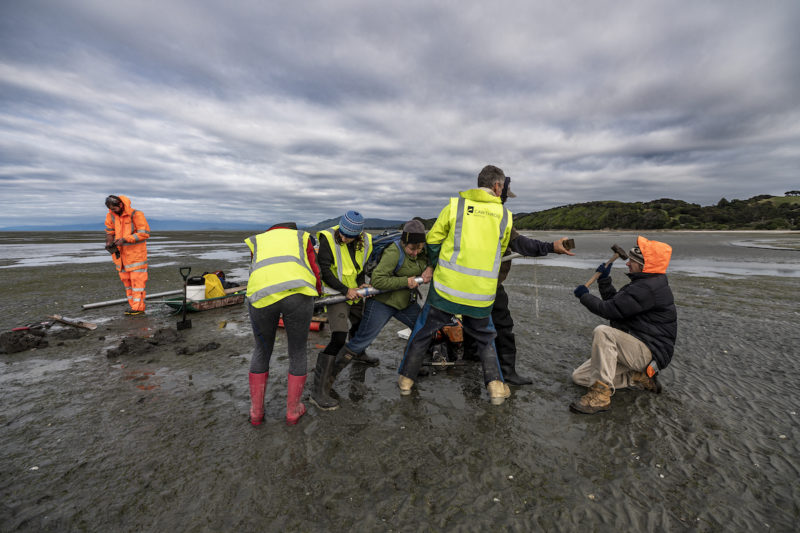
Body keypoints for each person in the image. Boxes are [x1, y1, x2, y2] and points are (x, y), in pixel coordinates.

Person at [397, 165, 514, 405]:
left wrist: (435, 265)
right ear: (497, 186)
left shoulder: (455, 206)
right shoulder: (505, 215)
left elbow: (433, 240)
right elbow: (499, 252)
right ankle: (495, 390)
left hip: (446, 290)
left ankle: (406, 382)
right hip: (481, 295)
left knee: (422, 332)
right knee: (486, 339)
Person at [463, 176, 575, 385]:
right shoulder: (496, 215)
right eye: (505, 195)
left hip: (461, 282)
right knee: (503, 326)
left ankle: (471, 355)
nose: (505, 200)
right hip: (487, 284)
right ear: (497, 188)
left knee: (471, 319)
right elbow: (520, 243)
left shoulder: (463, 210)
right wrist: (551, 247)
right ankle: (508, 373)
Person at [323, 220, 433, 400]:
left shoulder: (424, 250)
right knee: (360, 342)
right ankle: (326, 379)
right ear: (404, 243)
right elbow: (378, 281)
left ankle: (410, 367)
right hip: (382, 302)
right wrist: (405, 281)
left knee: (423, 328)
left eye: (419, 249)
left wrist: (430, 266)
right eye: (411, 249)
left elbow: (435, 256)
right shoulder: (393, 252)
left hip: (405, 302)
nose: (415, 252)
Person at [570, 236, 677, 414]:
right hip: (637, 345)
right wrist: (604, 280)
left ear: (645, 265)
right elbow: (619, 306)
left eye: (632, 261)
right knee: (579, 377)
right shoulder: (646, 283)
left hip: (651, 350)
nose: (627, 263)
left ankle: (600, 396)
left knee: (604, 332)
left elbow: (610, 310)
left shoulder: (648, 288)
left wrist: (584, 296)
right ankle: (637, 377)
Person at [245, 222, 322, 426]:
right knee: (297, 351)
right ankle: (292, 412)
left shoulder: (258, 241)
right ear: (292, 230)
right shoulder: (302, 237)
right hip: (298, 293)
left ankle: (256, 413)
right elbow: (313, 268)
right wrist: (318, 292)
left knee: (261, 349)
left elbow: (255, 269)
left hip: (261, 295)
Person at [310, 210, 374, 410]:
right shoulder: (328, 238)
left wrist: (362, 285)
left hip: (355, 292)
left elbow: (361, 268)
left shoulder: (366, 241)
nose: (345, 238)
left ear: (359, 235)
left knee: (361, 325)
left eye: (350, 236)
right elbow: (325, 270)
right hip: (335, 293)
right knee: (339, 336)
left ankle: (360, 354)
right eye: (343, 234)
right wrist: (346, 290)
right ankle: (318, 387)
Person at [104, 195, 150, 316]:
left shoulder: (136, 214)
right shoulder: (111, 216)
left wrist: (125, 239)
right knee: (127, 283)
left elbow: (144, 234)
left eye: (114, 209)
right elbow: (109, 231)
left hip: (136, 256)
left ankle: (138, 308)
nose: (112, 211)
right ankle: (133, 306)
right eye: (111, 209)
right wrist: (109, 243)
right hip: (121, 258)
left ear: (120, 205)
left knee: (137, 283)